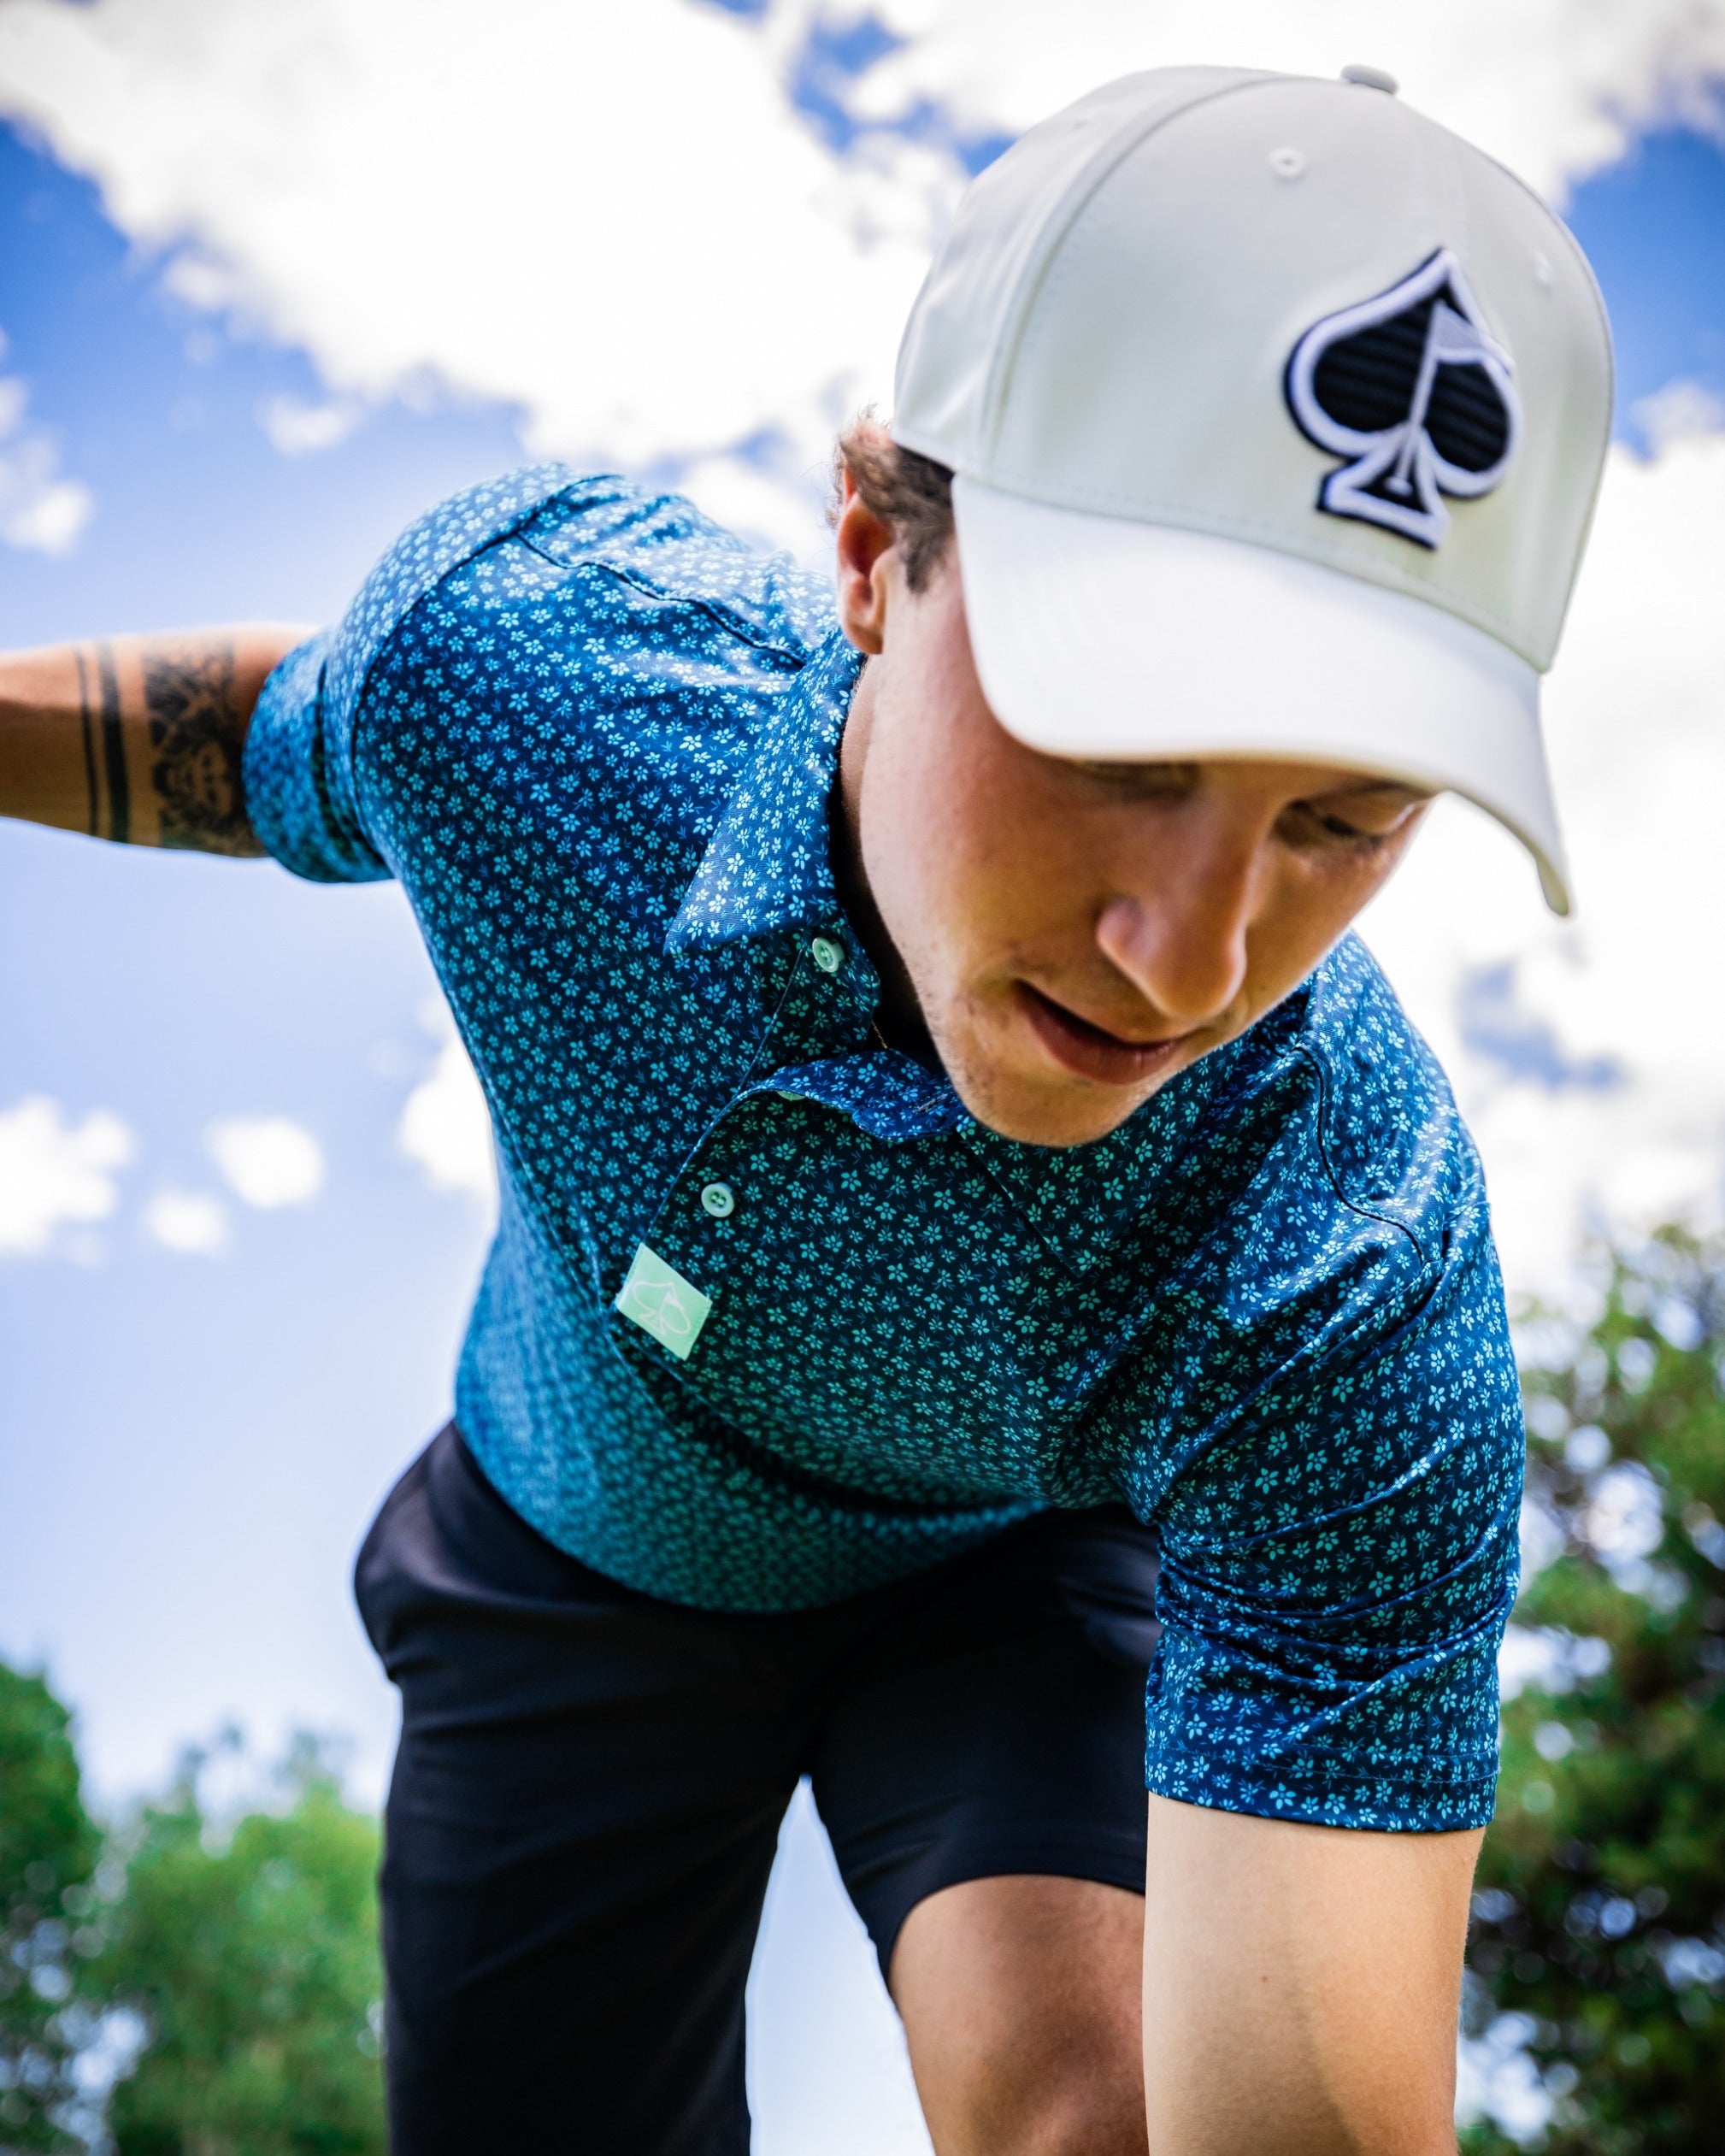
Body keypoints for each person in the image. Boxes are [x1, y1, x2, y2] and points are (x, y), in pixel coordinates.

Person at [0, 62, 1611, 2156]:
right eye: (1122, 740)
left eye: (1342, 814)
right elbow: (258, 741)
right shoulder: (531, 675)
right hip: (561, 1565)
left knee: (1080, 2116)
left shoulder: (1343, 1250)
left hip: (999, 1574)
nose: (1190, 960)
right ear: (873, 550)